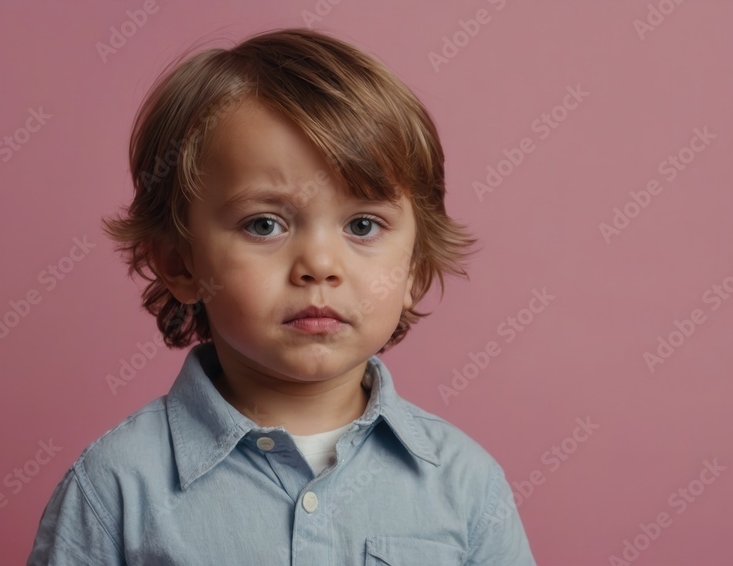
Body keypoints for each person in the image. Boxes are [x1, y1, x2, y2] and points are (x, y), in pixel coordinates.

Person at [27, 27, 536, 565]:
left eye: (362, 225)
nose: (320, 265)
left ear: (414, 267)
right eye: (264, 224)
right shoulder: (115, 489)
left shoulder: (465, 486)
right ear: (181, 262)